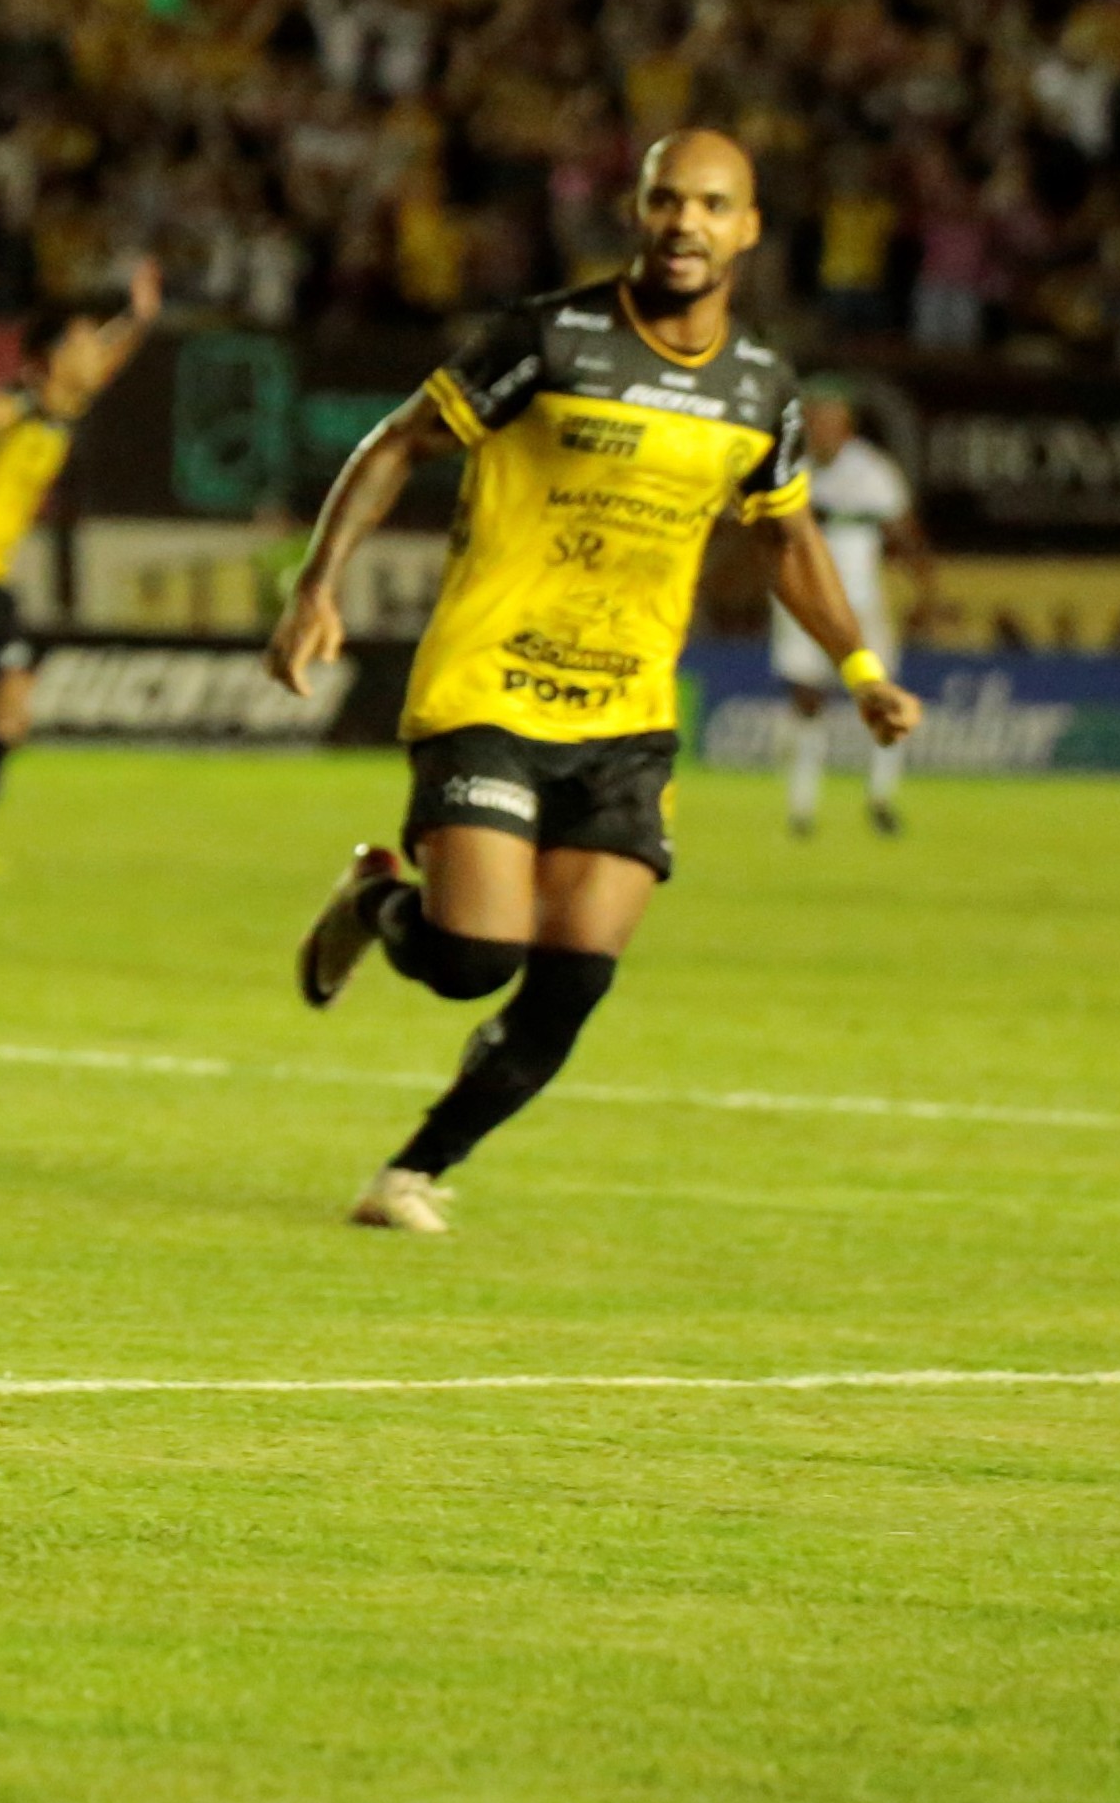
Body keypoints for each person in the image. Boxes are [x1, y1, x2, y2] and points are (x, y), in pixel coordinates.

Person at [270, 132, 918, 1231]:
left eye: (712, 205)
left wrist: (859, 668)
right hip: (490, 685)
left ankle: (408, 1172)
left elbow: (789, 538)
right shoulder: (549, 337)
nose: (685, 223)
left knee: (571, 979)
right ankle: (377, 899)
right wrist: (312, 586)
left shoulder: (760, 387)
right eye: (668, 200)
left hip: (626, 715)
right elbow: (395, 443)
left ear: (746, 229)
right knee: (473, 957)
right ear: (636, 208)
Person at [0, 259, 162, 873]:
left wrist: (140, 320)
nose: (93, 354)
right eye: (80, 344)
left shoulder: (61, 404)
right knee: (9, 702)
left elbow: (107, 361)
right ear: (48, 358)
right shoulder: (21, 399)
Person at [767, 388, 935, 837]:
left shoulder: (872, 472)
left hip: (860, 605)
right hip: (802, 605)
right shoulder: (789, 469)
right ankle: (801, 808)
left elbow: (904, 533)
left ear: (846, 428)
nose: (820, 431)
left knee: (880, 694)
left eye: (829, 422)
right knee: (806, 698)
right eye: (814, 422)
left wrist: (926, 594)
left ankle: (882, 797)